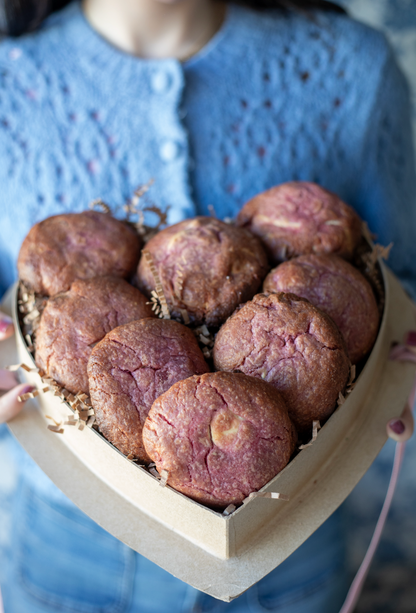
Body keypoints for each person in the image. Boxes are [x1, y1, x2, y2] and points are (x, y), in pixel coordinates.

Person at [0, 0, 415, 611]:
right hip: (72, 546)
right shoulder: (10, 81)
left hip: (290, 543)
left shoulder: (349, 67)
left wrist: (396, 359)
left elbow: (401, 272)